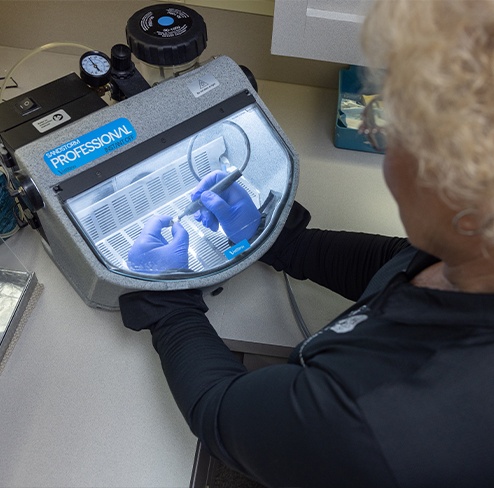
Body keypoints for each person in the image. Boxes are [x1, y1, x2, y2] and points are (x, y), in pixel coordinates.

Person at [119, 1, 494, 486]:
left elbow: (220, 414)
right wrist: (274, 237)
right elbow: (395, 264)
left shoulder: (369, 421)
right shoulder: (472, 253)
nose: (374, 134)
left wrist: (167, 299)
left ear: (462, 202)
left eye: (396, 132)